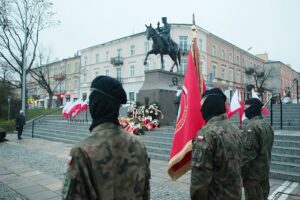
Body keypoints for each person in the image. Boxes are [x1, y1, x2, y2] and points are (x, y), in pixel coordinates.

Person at [62, 76, 151, 200]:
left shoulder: (81, 152)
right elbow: (145, 193)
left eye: (91, 99)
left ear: (95, 104)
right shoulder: (139, 145)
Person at [190, 88, 242, 200]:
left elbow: (199, 182)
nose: (200, 109)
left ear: (210, 105)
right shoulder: (235, 130)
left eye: (202, 104)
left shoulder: (206, 134)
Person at [241, 98, 274, 200]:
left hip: (253, 179)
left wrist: (239, 176)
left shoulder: (251, 128)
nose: (244, 110)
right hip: (264, 174)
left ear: (253, 108)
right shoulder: (267, 126)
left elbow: (246, 156)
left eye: (246, 107)